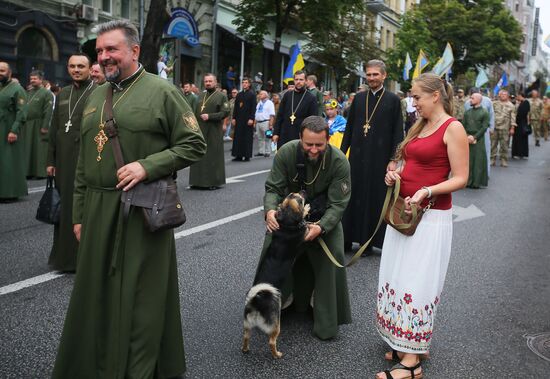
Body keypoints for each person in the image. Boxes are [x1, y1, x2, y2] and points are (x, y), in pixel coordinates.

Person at [52, 20, 206, 378]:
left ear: (134, 51)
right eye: (100, 51)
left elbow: (194, 143)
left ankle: (138, 368)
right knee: (96, 293)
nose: (104, 57)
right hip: (95, 209)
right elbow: (82, 166)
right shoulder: (94, 95)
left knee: (141, 295)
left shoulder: (162, 92)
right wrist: (77, 215)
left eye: (112, 49)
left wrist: (148, 166)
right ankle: (96, 362)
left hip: (141, 208)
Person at [377, 73, 469, 379]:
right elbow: (410, 161)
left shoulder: (452, 127)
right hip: (403, 212)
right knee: (398, 276)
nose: (412, 102)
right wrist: (396, 173)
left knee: (418, 284)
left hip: (429, 217)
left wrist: (428, 191)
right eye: (412, 96)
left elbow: (460, 177)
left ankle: (412, 363)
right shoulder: (420, 124)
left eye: (417, 97)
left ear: (435, 96)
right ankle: (407, 342)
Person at [258, 115, 352, 340]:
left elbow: (338, 204)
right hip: (290, 219)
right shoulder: (287, 153)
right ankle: (268, 311)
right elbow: (273, 188)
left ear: (328, 140)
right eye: (308, 144)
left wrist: (322, 227)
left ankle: (326, 323)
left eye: (319, 145)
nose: (313, 149)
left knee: (333, 256)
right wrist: (270, 211)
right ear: (300, 138)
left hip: (324, 219)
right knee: (271, 247)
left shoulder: (339, 161)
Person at [340, 59, 404, 254]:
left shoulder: (393, 100)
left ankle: (368, 242)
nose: (372, 78)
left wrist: (394, 159)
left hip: (380, 159)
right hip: (357, 159)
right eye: (368, 74)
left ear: (384, 75)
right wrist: (341, 154)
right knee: (353, 197)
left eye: (375, 74)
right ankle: (347, 239)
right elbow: (349, 129)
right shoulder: (359, 99)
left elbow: (397, 133)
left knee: (374, 200)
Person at [46, 54, 96, 272]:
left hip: (86, 157)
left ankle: (84, 260)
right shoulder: (63, 93)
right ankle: (64, 258)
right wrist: (50, 160)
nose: (76, 70)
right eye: (73, 66)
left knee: (84, 207)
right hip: (63, 161)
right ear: (68, 69)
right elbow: (55, 129)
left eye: (81, 66)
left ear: (89, 68)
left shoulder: (98, 91)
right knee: (64, 208)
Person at [189, 73, 230, 189]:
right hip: (199, 130)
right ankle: (196, 181)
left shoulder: (221, 96)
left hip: (213, 130)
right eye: (206, 81)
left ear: (215, 82)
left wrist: (210, 116)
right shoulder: (201, 95)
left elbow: (225, 112)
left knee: (212, 156)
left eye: (210, 81)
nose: (208, 83)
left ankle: (213, 182)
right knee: (198, 155)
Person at [0, 61, 27, 201]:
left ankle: (10, 193)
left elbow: (22, 112)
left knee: (8, 162)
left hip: (8, 130)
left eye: (2, 70)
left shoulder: (17, 88)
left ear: (9, 72)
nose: (0, 73)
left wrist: (14, 131)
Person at [273, 70, 317, 149]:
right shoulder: (287, 95)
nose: (298, 82)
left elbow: (313, 120)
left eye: (301, 79)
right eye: (296, 79)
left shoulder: (311, 98)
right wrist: (276, 133)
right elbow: (280, 115)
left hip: (301, 136)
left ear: (306, 81)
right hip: (284, 134)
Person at [23, 70, 54, 179]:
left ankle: (40, 173)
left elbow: (48, 111)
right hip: (28, 125)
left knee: (39, 149)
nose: (32, 80)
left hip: (39, 123)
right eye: (31, 78)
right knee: (28, 149)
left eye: (35, 78)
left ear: (41, 80)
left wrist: (45, 126)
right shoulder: (28, 92)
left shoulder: (47, 93)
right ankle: (28, 172)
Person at [465, 88, 494, 175]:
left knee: (485, 152)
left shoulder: (488, 101)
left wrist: (491, 128)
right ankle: (470, 175)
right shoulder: (467, 103)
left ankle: (485, 173)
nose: (471, 99)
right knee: (470, 154)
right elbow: (466, 118)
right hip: (470, 133)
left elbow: (491, 115)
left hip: (483, 131)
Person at [463, 93, 489, 188]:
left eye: (472, 98)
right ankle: (467, 181)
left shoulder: (484, 112)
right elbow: (463, 125)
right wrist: (467, 136)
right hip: (467, 139)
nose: (470, 100)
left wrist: (474, 137)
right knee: (468, 161)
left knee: (478, 161)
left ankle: (476, 183)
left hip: (479, 139)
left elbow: (484, 127)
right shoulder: (467, 112)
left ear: (478, 100)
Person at [231, 77, 256, 161]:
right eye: (243, 82)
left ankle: (246, 155)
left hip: (247, 119)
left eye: (246, 82)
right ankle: (238, 155)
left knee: (246, 137)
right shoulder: (239, 94)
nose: (244, 84)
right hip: (239, 119)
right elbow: (236, 108)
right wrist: (234, 118)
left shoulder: (252, 94)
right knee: (238, 137)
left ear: (249, 84)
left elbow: (253, 108)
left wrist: (251, 118)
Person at [491, 89, 516, 167]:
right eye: (501, 94)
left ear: (507, 96)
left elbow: (513, 118)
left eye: (504, 94)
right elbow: (490, 115)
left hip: (505, 128)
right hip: (495, 127)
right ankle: (492, 159)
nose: (503, 96)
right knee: (493, 144)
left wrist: (512, 128)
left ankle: (503, 160)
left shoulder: (511, 105)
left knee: (504, 145)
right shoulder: (494, 104)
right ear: (499, 95)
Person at [254, 90, 275, 157]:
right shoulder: (259, 103)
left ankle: (267, 151)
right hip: (259, 122)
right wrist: (255, 122)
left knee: (268, 137)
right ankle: (261, 151)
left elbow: (272, 114)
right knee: (260, 138)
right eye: (259, 94)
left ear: (266, 95)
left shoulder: (270, 103)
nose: (260, 95)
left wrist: (271, 124)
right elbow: (256, 113)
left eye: (261, 94)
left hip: (266, 122)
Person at [511, 92, 530, 159]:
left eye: (518, 96)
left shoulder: (526, 103)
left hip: (521, 123)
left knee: (521, 139)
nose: (517, 97)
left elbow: (522, 113)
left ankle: (521, 153)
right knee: (517, 138)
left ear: (521, 96)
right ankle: (516, 152)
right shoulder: (520, 103)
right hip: (518, 123)